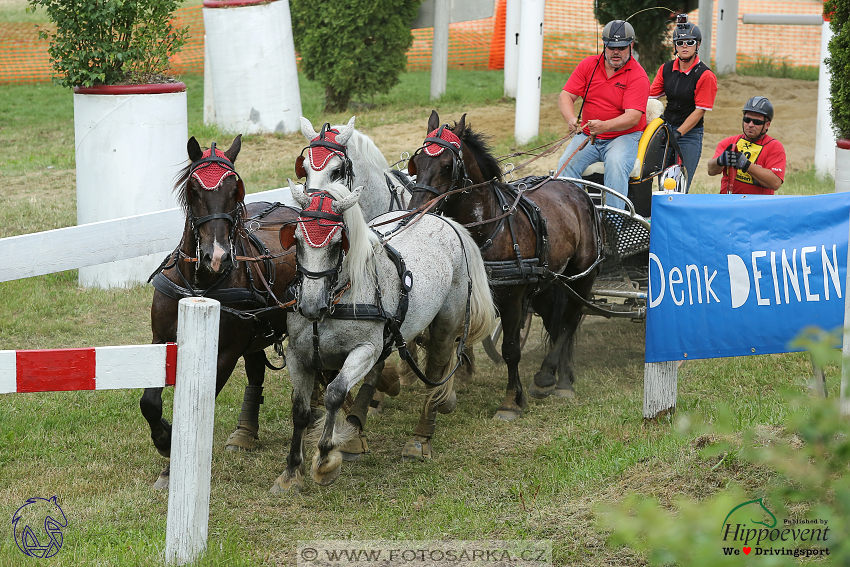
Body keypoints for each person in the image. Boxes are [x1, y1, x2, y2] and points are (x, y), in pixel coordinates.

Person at [556, 19, 650, 209]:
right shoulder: (588, 65)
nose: (616, 52)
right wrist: (571, 119)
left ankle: (615, 222)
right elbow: (565, 96)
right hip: (588, 135)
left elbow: (633, 117)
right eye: (611, 46)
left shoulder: (638, 76)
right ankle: (575, 218)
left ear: (631, 46)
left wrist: (604, 126)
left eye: (622, 47)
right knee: (564, 166)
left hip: (623, 136)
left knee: (615, 165)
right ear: (604, 44)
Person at [649, 14, 717, 192]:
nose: (684, 46)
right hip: (666, 129)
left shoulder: (705, 75)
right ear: (675, 46)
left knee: (680, 185)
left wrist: (678, 133)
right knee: (664, 183)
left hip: (689, 135)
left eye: (690, 42)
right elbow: (650, 96)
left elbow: (700, 110)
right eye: (680, 42)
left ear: (698, 45)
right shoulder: (666, 69)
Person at [707, 96, 786, 194]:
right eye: (747, 120)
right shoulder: (729, 142)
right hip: (728, 203)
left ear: (767, 125)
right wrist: (719, 161)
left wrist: (746, 165)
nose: (750, 124)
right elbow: (711, 170)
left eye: (756, 122)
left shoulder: (775, 147)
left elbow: (775, 183)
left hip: (756, 206)